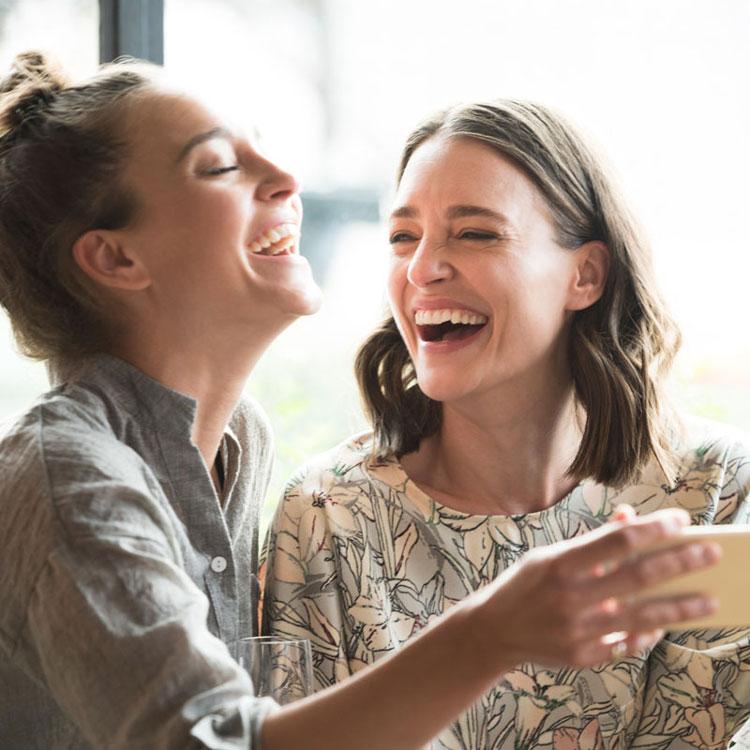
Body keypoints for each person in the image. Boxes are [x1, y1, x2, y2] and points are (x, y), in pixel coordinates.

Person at [0, 52, 726, 750]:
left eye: (475, 232)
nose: (288, 177)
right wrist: (493, 629)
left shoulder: (235, 444)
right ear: (118, 258)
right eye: (221, 166)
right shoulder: (72, 483)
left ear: (588, 275)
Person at [262, 99, 750, 749]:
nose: (421, 269)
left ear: (586, 274)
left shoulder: (716, 493)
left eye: (476, 233)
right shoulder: (327, 513)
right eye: (404, 236)